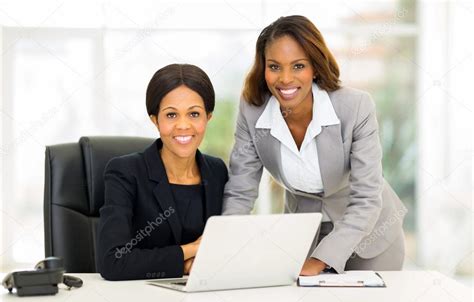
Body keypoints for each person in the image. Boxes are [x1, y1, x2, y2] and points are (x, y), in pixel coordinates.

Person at [222, 15, 407, 275]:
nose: (285, 79)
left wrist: (321, 261)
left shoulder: (354, 107)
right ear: (263, 69)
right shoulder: (252, 111)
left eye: (298, 66)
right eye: (274, 67)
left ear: (315, 67)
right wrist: (224, 248)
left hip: (370, 237)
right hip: (303, 235)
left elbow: (366, 197)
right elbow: (241, 190)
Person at [97, 64, 228, 280]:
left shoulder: (217, 172)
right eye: (171, 115)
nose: (183, 126)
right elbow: (113, 262)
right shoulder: (125, 173)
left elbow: (230, 246)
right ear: (155, 119)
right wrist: (190, 252)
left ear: (208, 117)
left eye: (194, 114)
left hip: (203, 299)